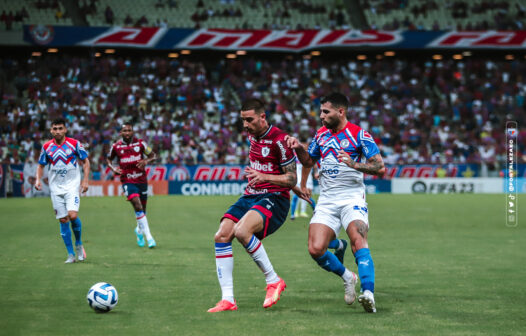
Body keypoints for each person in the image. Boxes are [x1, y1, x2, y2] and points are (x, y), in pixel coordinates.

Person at [286, 92, 385, 313]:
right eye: (321, 111)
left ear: (341, 111)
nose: (321, 116)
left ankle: (368, 292)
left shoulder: (360, 135)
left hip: (352, 198)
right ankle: (347, 276)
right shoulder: (320, 135)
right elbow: (309, 161)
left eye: (326, 112)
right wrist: (299, 148)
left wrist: (353, 164)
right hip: (327, 200)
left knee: (358, 240)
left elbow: (380, 167)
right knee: (315, 248)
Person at [208, 98, 308, 313]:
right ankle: (228, 300)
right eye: (243, 120)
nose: (245, 125)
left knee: (242, 231)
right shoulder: (253, 135)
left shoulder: (280, 140)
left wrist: (265, 177)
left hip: (275, 199)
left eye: (249, 120)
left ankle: (274, 281)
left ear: (263, 117)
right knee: (222, 235)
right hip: (251, 195)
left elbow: (290, 178)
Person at [35, 118, 90, 263]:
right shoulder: (47, 147)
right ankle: (70, 254)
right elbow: (41, 165)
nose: (58, 131)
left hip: (72, 186)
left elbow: (85, 161)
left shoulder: (74, 144)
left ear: (65, 130)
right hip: (55, 188)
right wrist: (37, 180)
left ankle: (78, 244)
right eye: (55, 128)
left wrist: (85, 180)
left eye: (60, 128)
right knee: (63, 219)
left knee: (72, 215)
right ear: (51, 130)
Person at [107, 122, 157, 248]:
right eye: (125, 131)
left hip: (141, 180)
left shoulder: (141, 143)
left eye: (129, 130)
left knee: (142, 211)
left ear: (132, 131)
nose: (127, 133)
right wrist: (113, 168)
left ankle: (139, 231)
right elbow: (108, 159)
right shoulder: (116, 147)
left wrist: (146, 160)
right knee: (137, 205)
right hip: (127, 180)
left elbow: (153, 156)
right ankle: (149, 237)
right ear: (121, 133)